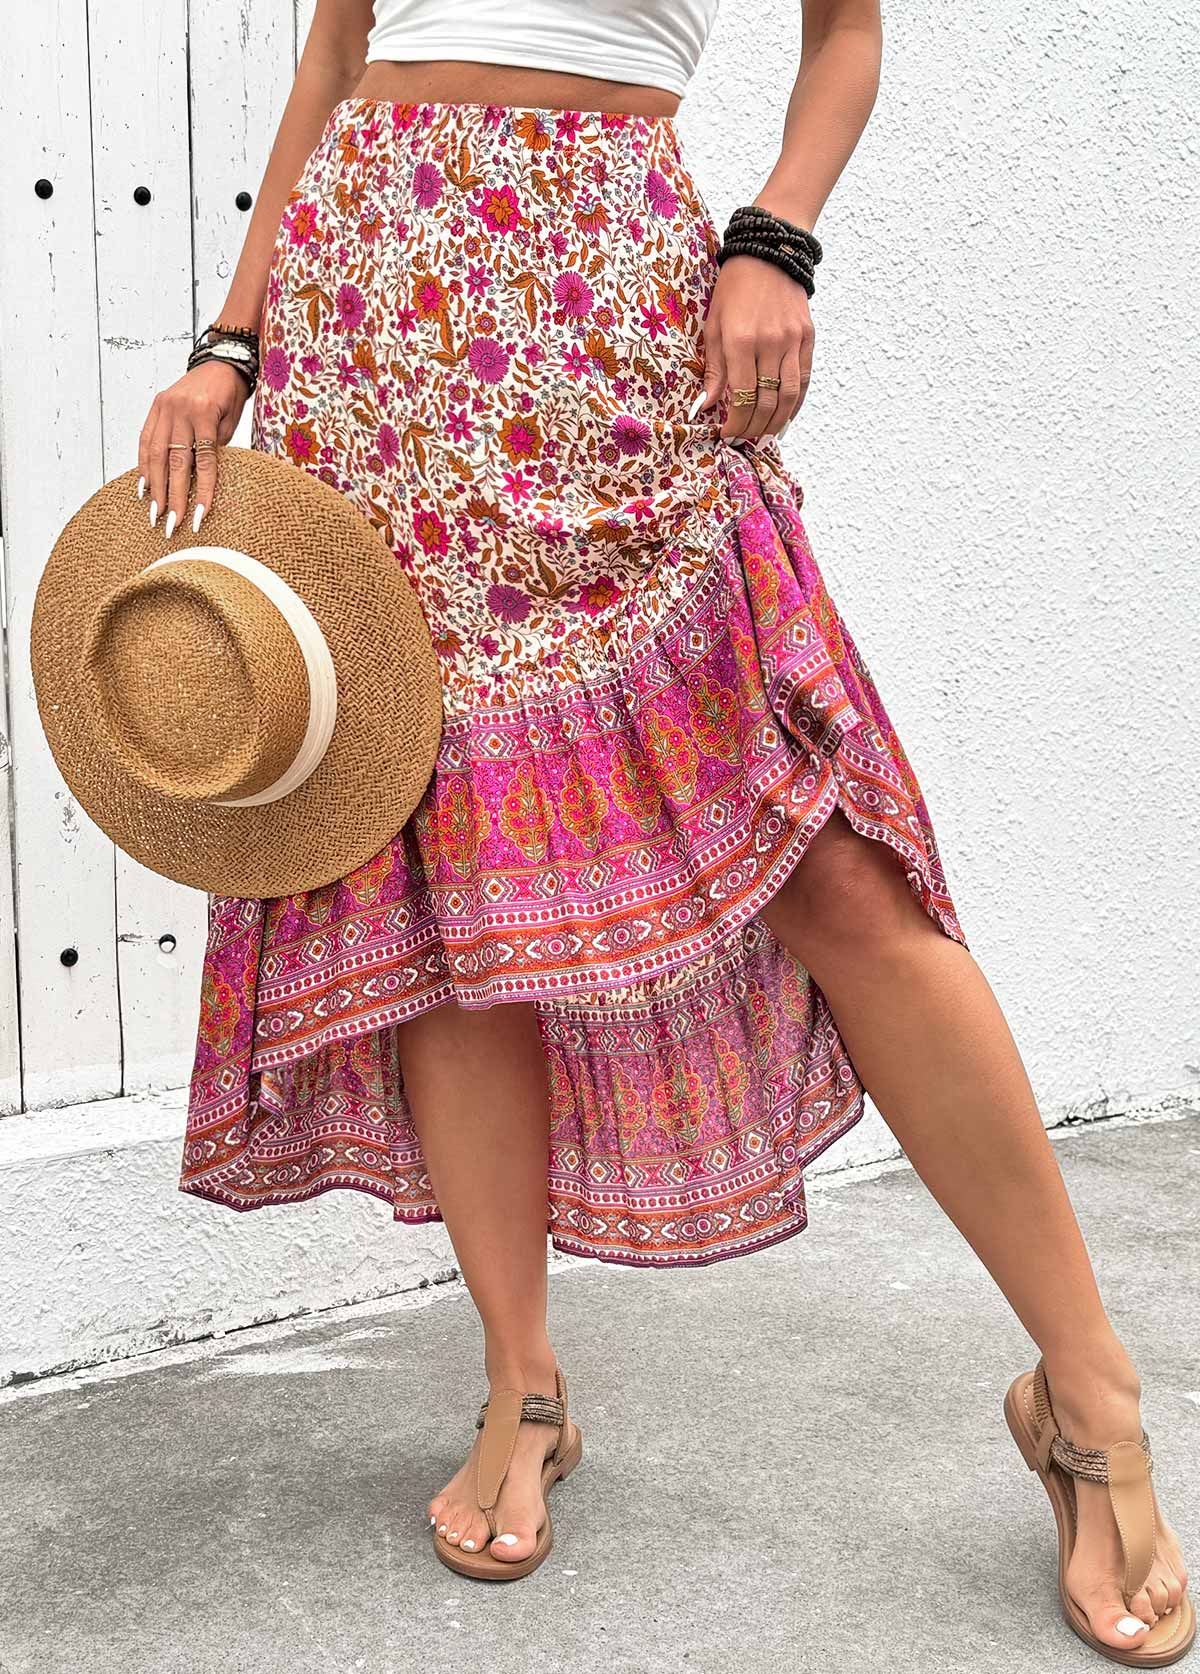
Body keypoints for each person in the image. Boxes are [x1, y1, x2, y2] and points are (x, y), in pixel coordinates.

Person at [134, 0, 1190, 1651]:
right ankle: (524, 1382)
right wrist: (235, 342)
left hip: (603, 299)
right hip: (366, 343)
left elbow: (846, 32)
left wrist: (776, 235)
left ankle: (1088, 1385)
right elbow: (335, 63)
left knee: (835, 872)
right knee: (454, 889)